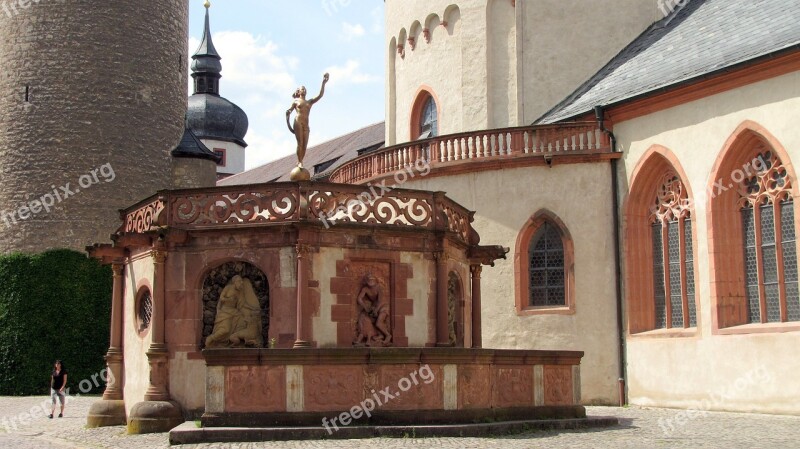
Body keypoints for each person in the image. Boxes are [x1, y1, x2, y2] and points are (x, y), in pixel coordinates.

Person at [286, 73, 329, 166]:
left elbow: (320, 95)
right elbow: (289, 111)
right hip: (298, 122)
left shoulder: (309, 102)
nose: (304, 90)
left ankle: (301, 161)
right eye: (302, 89)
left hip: (306, 124)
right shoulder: (296, 101)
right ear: (298, 91)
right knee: (300, 143)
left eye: (305, 89)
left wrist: (323, 83)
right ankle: (299, 161)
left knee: (305, 146)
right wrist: (288, 116)